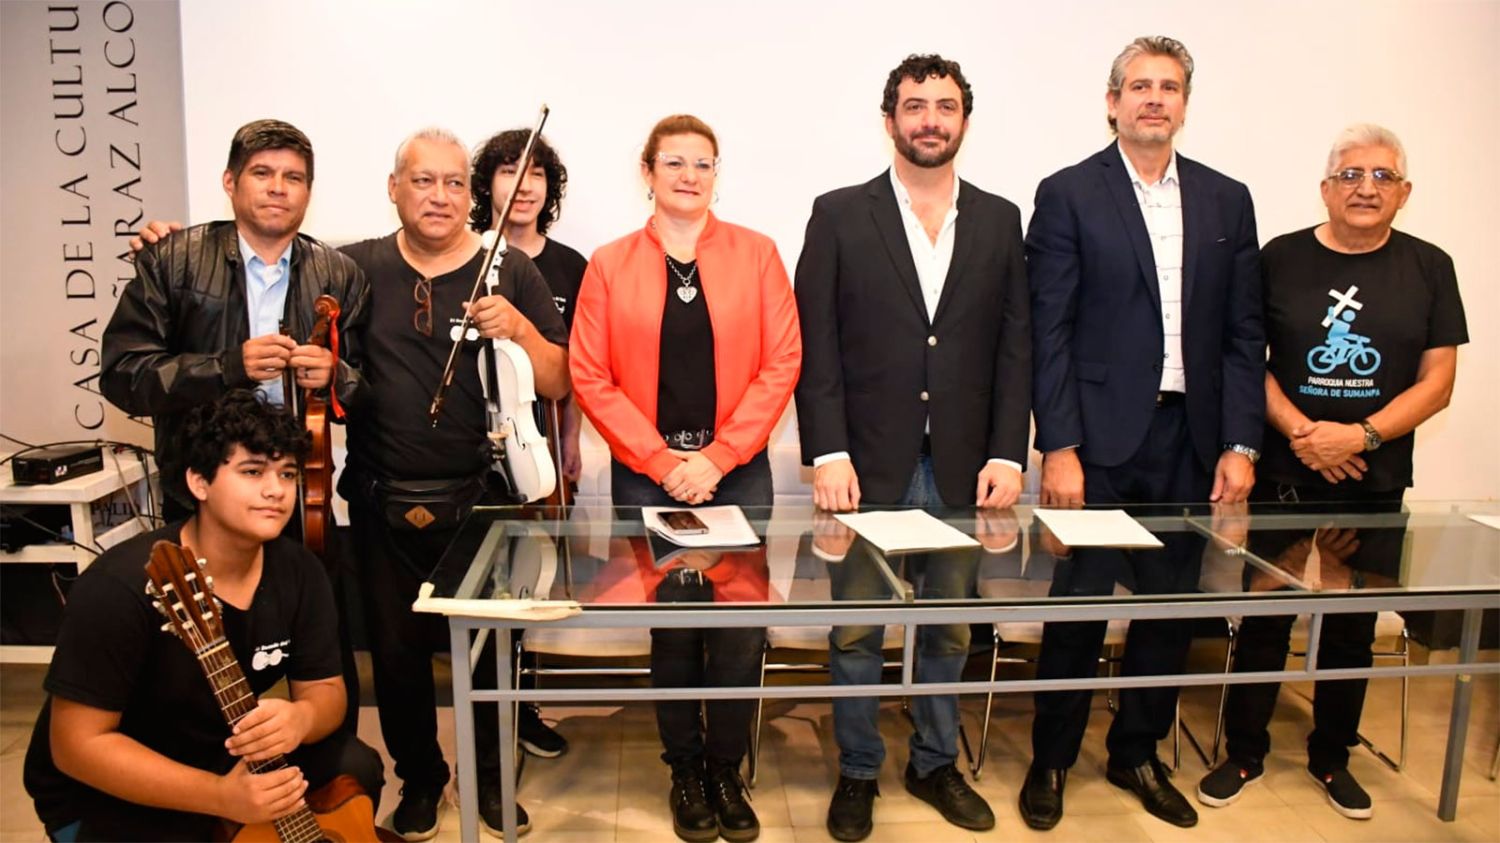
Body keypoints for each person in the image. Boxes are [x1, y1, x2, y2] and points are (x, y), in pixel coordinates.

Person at [1024, 36, 1265, 831]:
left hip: (1190, 441)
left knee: (1168, 614)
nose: (1154, 98)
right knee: (1078, 610)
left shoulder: (1227, 200)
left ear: (1185, 104)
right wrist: (1059, 446)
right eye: (1139, 86)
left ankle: (1137, 752)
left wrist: (1240, 444)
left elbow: (1244, 333)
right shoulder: (1068, 193)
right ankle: (1052, 758)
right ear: (1113, 102)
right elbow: (1049, 331)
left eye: (1168, 87)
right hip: (1096, 445)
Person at [1197, 124, 1467, 820]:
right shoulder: (1279, 258)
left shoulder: (1430, 266)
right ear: (1325, 188)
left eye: (1382, 176)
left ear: (1404, 192)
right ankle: (1244, 751)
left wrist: (1362, 434)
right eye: (1350, 174)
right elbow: (1244, 358)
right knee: (1265, 617)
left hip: (1374, 479)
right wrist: (1302, 432)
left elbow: (1438, 382)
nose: (1365, 187)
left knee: (1352, 623)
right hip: (1285, 474)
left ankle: (1332, 756)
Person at [793, 54, 1029, 841]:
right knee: (858, 631)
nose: (931, 118)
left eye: (946, 105)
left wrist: (1008, 453)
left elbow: (1015, 348)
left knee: (951, 628)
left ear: (965, 119)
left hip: (965, 467)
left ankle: (934, 762)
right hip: (864, 467)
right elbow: (817, 344)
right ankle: (859, 770)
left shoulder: (1000, 219)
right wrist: (828, 451)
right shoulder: (838, 213)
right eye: (916, 105)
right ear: (889, 118)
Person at [569, 114, 801, 843]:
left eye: (703, 163)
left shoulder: (758, 254)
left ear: (716, 174)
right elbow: (590, 375)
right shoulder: (609, 264)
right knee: (673, 628)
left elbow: (782, 363)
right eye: (674, 162)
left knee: (738, 632)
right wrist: (663, 461)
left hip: (737, 473)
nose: (689, 175)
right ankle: (685, 771)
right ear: (647, 173)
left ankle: (726, 769)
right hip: (650, 477)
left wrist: (719, 456)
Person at [339, 127, 570, 840]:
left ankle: (492, 778)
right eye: (423, 181)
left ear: (470, 196)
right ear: (394, 188)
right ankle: (420, 780)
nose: (439, 197)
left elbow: (561, 381)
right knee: (396, 657)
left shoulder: (510, 270)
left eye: (453, 183)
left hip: (484, 499)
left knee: (492, 653)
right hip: (381, 497)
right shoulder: (352, 268)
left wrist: (520, 331)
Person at [22, 390, 383, 842]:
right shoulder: (119, 586)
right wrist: (220, 797)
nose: (276, 490)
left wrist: (301, 718)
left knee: (355, 766)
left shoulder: (300, 570)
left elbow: (326, 691)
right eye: (252, 471)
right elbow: (76, 747)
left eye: (287, 473)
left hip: (219, 747)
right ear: (199, 482)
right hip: (111, 784)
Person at [102, 119, 368, 522]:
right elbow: (123, 375)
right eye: (262, 173)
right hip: (197, 492)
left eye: (293, 177)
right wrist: (227, 368)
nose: (278, 187)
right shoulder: (173, 259)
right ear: (230, 182)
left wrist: (336, 376)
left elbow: (368, 390)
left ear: (308, 191)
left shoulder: (340, 274)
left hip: (299, 498)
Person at [471, 129, 589, 497]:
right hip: (469, 441)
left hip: (541, 438)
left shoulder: (572, 266)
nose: (524, 186)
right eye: (510, 172)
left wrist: (570, 437)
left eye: (535, 174)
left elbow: (580, 364)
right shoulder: (462, 257)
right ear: (486, 184)